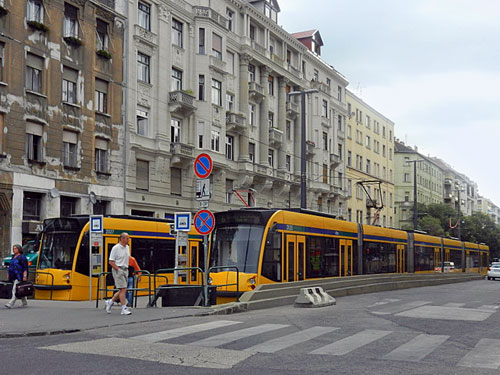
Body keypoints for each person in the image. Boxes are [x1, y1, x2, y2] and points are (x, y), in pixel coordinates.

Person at [105, 233, 132, 315]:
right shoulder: (116, 248)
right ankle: (124, 308)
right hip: (118, 269)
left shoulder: (127, 247)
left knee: (122, 289)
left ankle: (110, 302)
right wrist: (118, 269)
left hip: (125, 269)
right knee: (123, 289)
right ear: (122, 239)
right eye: (127, 238)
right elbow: (111, 261)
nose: (128, 240)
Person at [5, 244, 29, 309]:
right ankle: (24, 302)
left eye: (15, 248)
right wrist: (9, 274)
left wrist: (25, 275)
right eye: (13, 248)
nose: (14, 250)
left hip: (19, 275)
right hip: (13, 275)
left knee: (15, 289)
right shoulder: (13, 257)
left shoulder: (22, 257)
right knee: (20, 289)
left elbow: (25, 267)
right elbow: (11, 266)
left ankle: (11, 303)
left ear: (19, 249)